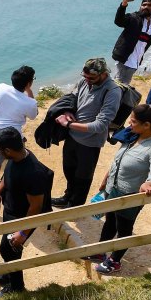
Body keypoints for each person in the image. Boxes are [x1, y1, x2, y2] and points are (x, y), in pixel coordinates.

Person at [85, 105, 151, 274]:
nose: (129, 123)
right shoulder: (133, 136)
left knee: (124, 227)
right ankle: (100, 251)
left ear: (146, 125)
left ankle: (115, 261)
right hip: (114, 189)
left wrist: (150, 184)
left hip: (131, 196)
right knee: (110, 221)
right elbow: (119, 160)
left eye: (133, 121)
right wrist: (106, 178)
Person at [0, 127, 53, 296]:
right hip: (11, 212)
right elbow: (7, 177)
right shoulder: (17, 157)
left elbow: (36, 207)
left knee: (10, 250)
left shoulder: (33, 173)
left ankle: (16, 286)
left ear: (8, 150)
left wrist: (23, 232)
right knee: (6, 249)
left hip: (23, 218)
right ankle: (8, 274)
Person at [52, 58, 122, 209]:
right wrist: (67, 111)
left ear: (104, 74)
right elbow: (72, 98)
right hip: (72, 136)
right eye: (85, 77)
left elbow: (100, 125)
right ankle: (67, 197)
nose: (87, 81)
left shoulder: (112, 92)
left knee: (83, 176)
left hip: (90, 142)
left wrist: (69, 124)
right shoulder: (84, 81)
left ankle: (76, 205)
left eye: (92, 78)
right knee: (68, 169)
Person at [0, 65, 40, 195]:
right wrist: (29, 91)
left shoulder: (1, 87)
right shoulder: (29, 102)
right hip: (10, 138)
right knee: (18, 166)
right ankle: (11, 195)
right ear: (29, 83)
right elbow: (33, 115)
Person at [111, 0, 151, 85]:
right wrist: (123, 5)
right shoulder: (133, 18)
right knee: (118, 85)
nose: (146, 7)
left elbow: (145, 44)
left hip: (136, 62)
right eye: (144, 4)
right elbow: (119, 21)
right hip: (124, 59)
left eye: (149, 5)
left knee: (125, 84)